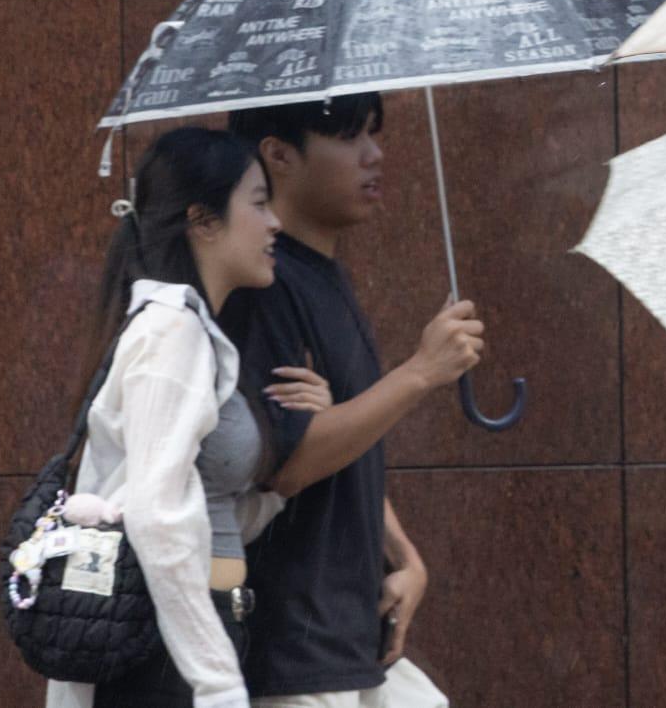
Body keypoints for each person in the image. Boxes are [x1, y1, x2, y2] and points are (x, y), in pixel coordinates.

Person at [48, 127, 333, 708]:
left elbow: (203, 509)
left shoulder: (191, 333)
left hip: (194, 638)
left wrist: (279, 492)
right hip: (166, 653)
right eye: (258, 202)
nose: (274, 222)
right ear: (204, 222)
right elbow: (157, 516)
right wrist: (216, 681)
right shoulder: (171, 332)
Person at [218, 94, 485, 708]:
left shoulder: (320, 274)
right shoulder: (266, 285)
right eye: (349, 137)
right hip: (293, 650)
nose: (375, 155)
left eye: (374, 133)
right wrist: (420, 372)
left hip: (353, 640)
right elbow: (284, 464)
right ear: (279, 155)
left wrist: (404, 556)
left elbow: (341, 438)